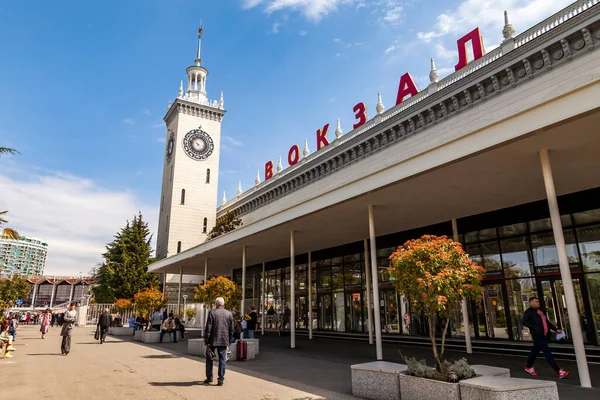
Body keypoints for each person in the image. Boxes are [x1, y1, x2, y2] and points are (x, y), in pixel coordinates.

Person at [522, 297, 569, 378]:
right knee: (547, 353)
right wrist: (533, 328)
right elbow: (523, 321)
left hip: (544, 335)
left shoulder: (540, 312)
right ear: (531, 303)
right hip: (537, 336)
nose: (538, 303)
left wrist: (556, 329)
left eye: (538, 301)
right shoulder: (529, 312)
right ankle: (558, 371)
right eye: (536, 302)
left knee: (534, 351)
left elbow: (547, 322)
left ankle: (528, 367)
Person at [203, 297, 234, 386]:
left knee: (209, 358)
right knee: (222, 359)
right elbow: (231, 329)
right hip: (224, 339)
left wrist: (207, 340)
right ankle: (221, 379)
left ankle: (209, 377)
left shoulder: (212, 313)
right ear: (223, 304)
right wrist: (229, 339)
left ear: (216, 304)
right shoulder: (229, 314)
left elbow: (208, 328)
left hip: (213, 339)